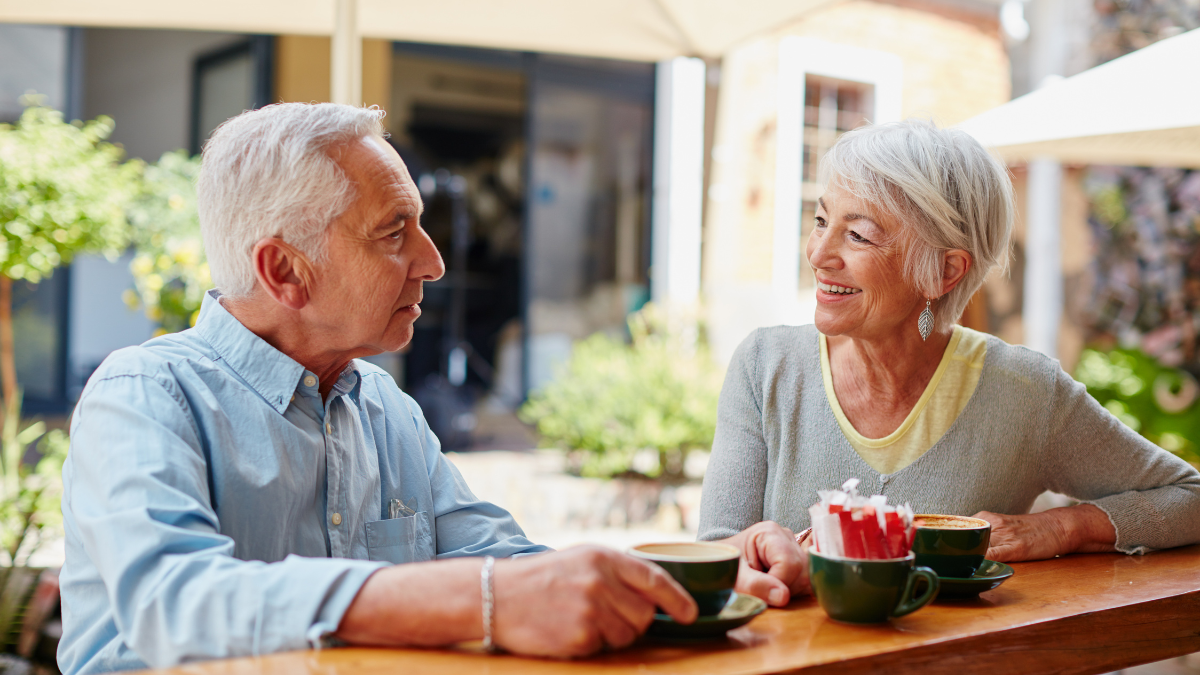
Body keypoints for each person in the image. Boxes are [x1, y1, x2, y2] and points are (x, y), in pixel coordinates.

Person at [58, 103, 727, 674]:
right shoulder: (144, 394)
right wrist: (480, 600)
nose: (433, 261)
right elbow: (173, 600)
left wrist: (706, 588)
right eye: (394, 231)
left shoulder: (382, 406)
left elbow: (514, 569)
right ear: (285, 269)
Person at [698, 119, 1200, 572]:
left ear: (943, 271)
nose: (819, 254)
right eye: (822, 221)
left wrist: (1060, 528)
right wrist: (756, 548)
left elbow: (1188, 497)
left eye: (857, 235)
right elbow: (718, 549)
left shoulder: (1024, 391)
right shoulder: (765, 366)